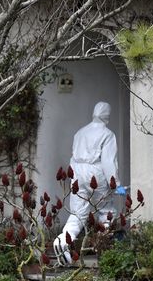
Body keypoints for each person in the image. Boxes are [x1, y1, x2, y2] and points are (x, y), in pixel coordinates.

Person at [53, 101, 123, 265]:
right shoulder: (107, 134)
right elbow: (108, 162)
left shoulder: (80, 132)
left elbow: (73, 155)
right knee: (106, 210)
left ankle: (62, 241)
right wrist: (116, 184)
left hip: (77, 171)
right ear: (107, 115)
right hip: (96, 173)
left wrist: (74, 177)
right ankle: (103, 248)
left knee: (78, 213)